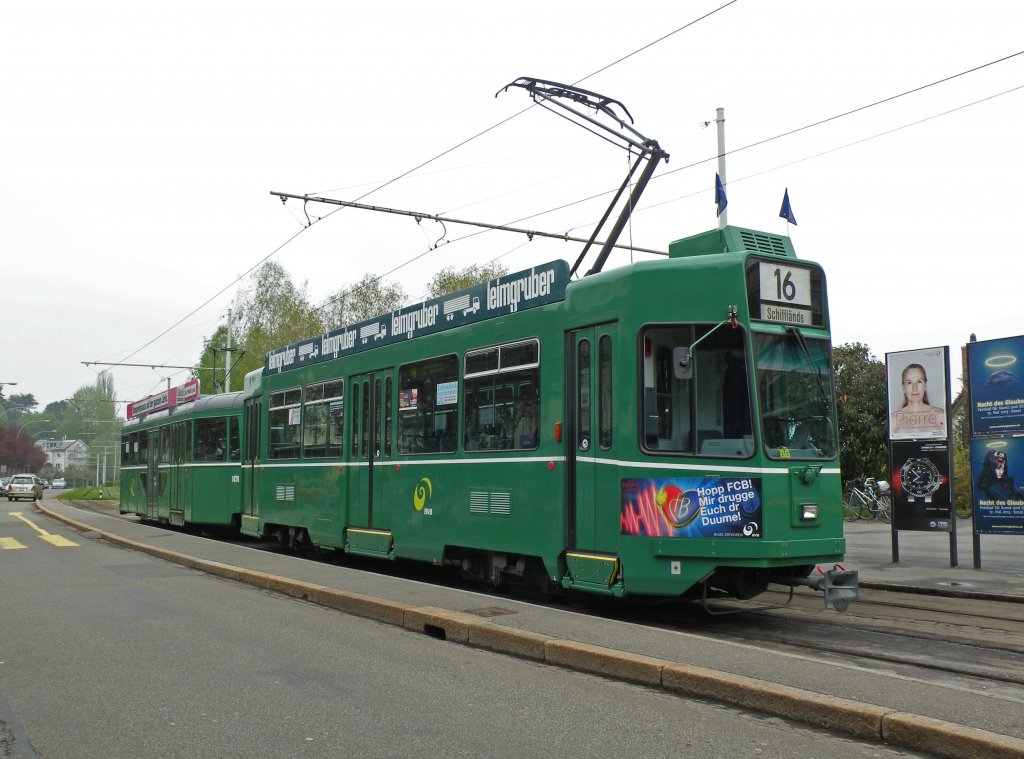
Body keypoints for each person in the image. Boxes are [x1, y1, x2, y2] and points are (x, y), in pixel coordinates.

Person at [889, 363, 946, 436]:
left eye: (919, 382)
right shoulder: (893, 420)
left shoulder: (940, 416)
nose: (914, 388)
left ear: (925, 385)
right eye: (909, 383)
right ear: (903, 387)